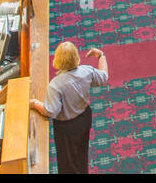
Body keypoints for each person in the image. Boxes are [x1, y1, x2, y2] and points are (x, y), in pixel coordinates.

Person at [31, 42, 109, 174]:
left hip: (66, 127)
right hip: (84, 118)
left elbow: (51, 111)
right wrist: (101, 55)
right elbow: (103, 77)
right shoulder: (87, 71)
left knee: (67, 163)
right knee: (81, 153)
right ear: (76, 57)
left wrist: (34, 104)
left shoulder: (55, 85)